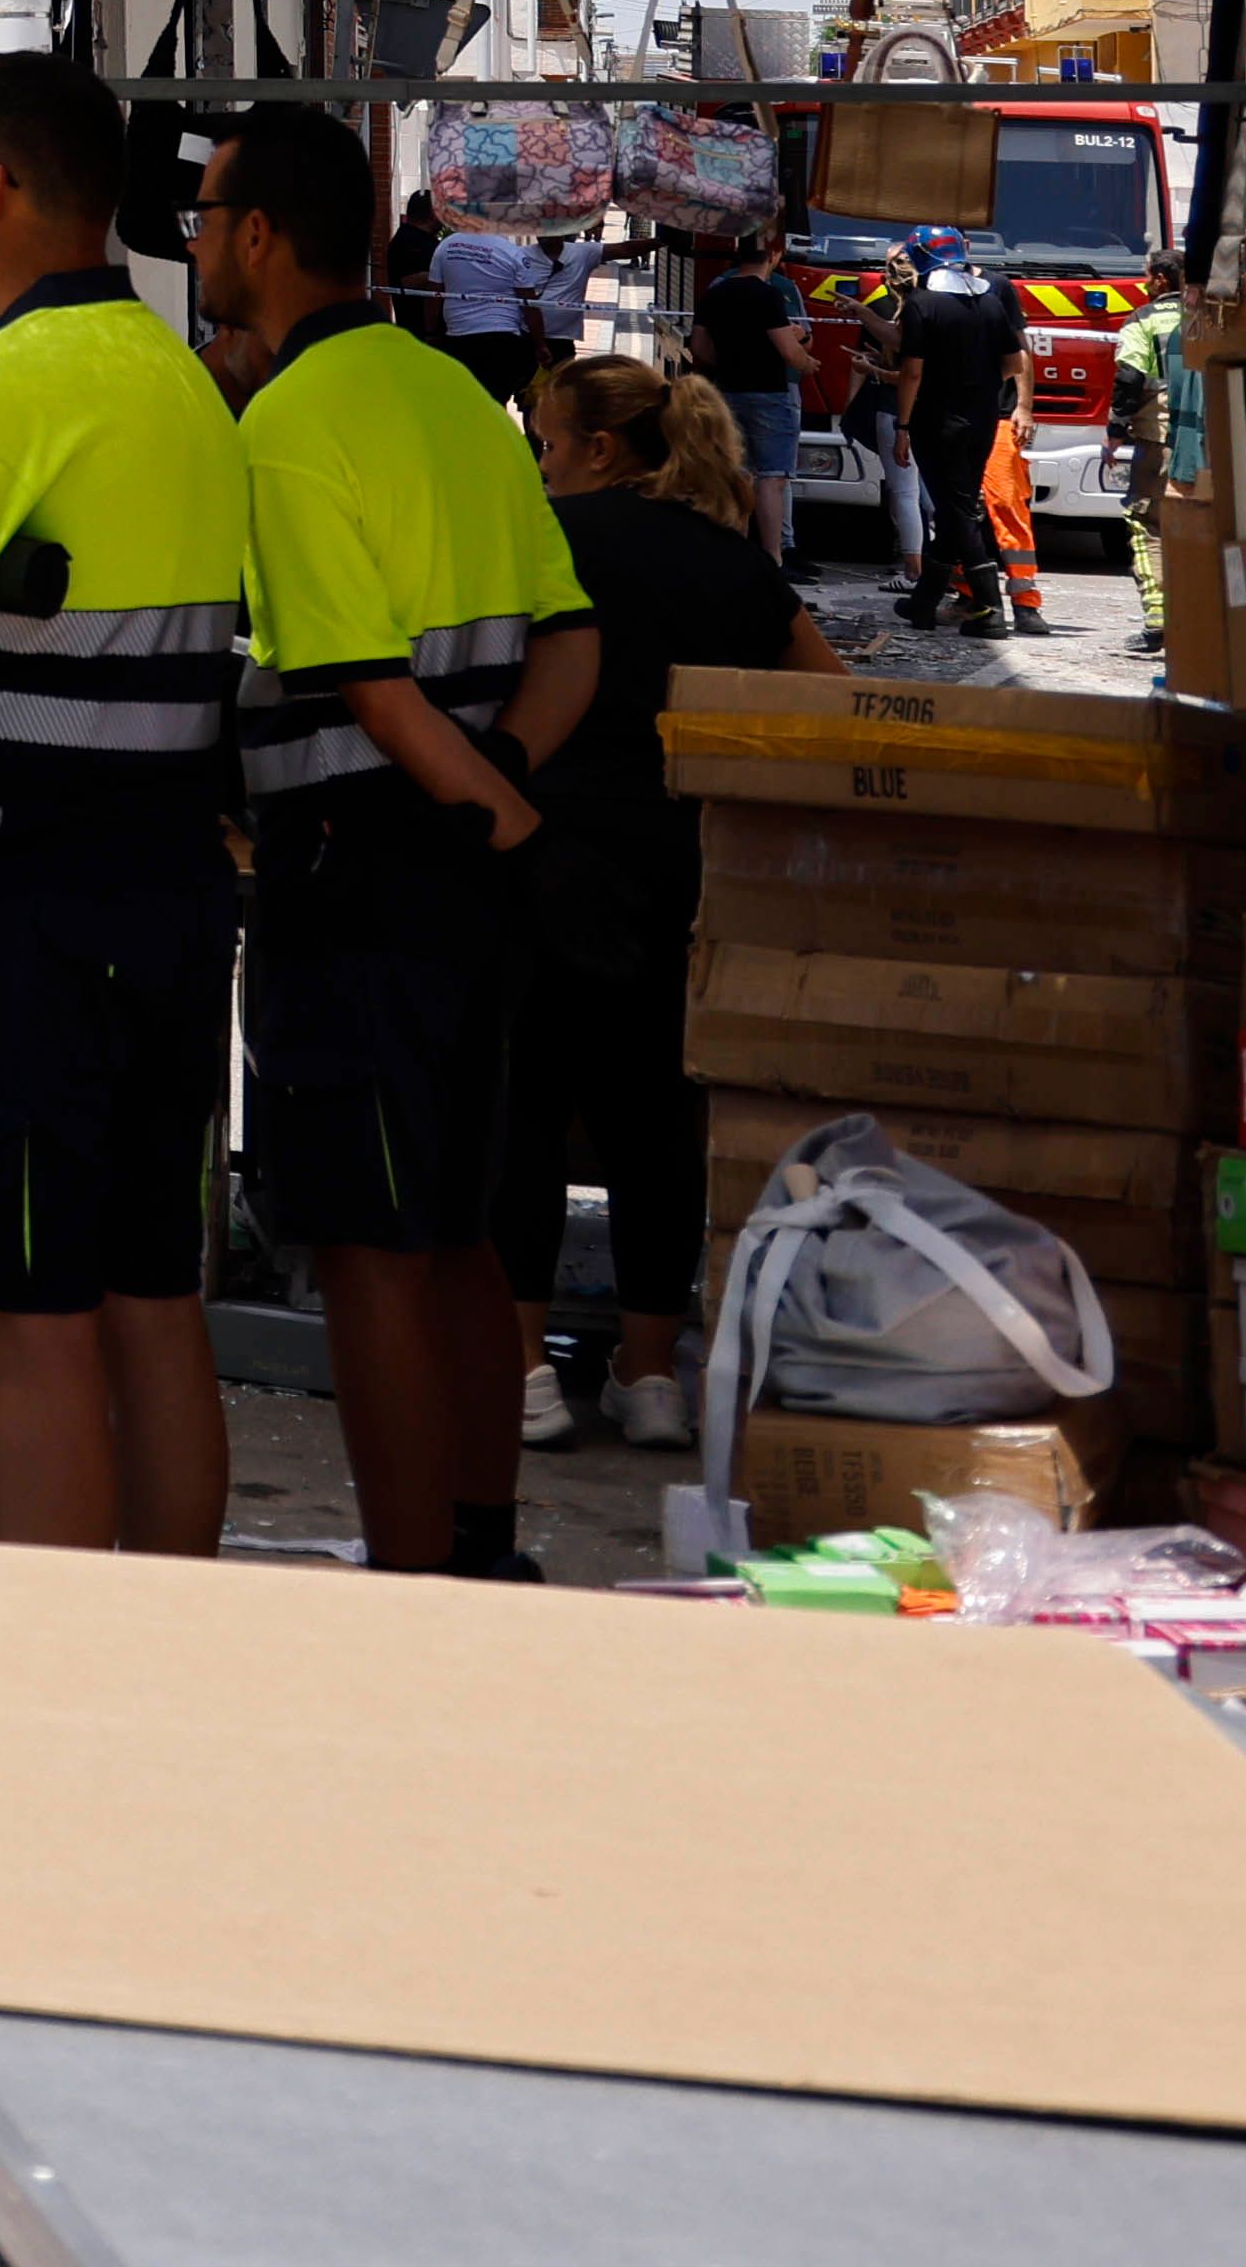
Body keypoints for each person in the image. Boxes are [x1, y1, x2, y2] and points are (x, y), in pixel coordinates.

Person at [0, 44, 251, 1559]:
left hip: (16, 910)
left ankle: (52, 1707)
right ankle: (167, 1666)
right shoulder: (186, 388)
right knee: (153, 1304)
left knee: (28, 1333)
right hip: (167, 893)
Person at [205, 104, 600, 1579]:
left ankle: (410, 1584)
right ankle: (484, 1549)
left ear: (260, 236)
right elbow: (572, 639)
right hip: (476, 883)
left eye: (207, 218)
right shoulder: (459, 403)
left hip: (361, 866)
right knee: (456, 1235)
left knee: (371, 1254)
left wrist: (471, 797)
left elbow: (362, 682)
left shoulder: (291, 427)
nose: (194, 246)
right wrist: (503, 782)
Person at [501, 353, 832, 1451]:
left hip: (542, 855)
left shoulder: (545, 543)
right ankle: (648, 1375)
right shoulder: (726, 560)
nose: (538, 462)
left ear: (597, 450)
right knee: (654, 1122)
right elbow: (828, 696)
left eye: (546, 443)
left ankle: (522, 1374)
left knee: (525, 1117)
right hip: (682, 866)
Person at [893, 229, 1029, 633]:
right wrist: (981, 388)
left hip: (938, 421)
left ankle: (990, 607)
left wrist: (902, 425)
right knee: (960, 507)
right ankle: (925, 601)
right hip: (983, 419)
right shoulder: (989, 300)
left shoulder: (921, 303)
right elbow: (1013, 364)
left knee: (956, 511)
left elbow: (912, 371)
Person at [690, 216, 809, 554]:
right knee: (771, 478)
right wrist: (808, 363)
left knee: (737, 475)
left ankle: (733, 554)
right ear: (771, 257)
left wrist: (728, 361)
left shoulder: (715, 293)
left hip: (727, 392)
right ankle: (772, 559)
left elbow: (698, 347)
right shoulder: (769, 296)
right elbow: (789, 350)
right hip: (770, 395)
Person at [425, 186, 561, 413]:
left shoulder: (446, 247)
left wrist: (430, 333)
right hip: (502, 341)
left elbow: (433, 296)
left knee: (463, 403)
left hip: (459, 338)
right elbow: (529, 306)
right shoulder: (512, 253)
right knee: (495, 404)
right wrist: (540, 345)